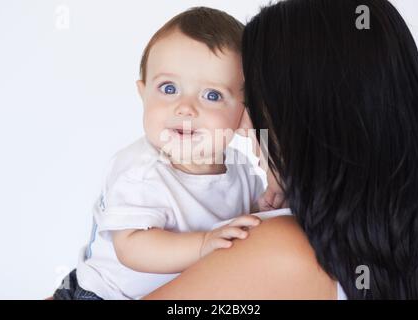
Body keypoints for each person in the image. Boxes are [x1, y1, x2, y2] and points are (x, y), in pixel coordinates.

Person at [142, 0, 418, 299]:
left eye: (253, 104)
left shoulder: (281, 250)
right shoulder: (415, 247)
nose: (242, 128)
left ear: (303, 121)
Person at [53, 7, 283, 300]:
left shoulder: (241, 171)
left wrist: (264, 208)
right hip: (103, 294)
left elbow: (243, 229)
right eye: (169, 88)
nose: (185, 107)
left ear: (243, 111)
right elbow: (132, 247)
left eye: (212, 95)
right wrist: (202, 245)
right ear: (143, 93)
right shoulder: (140, 170)